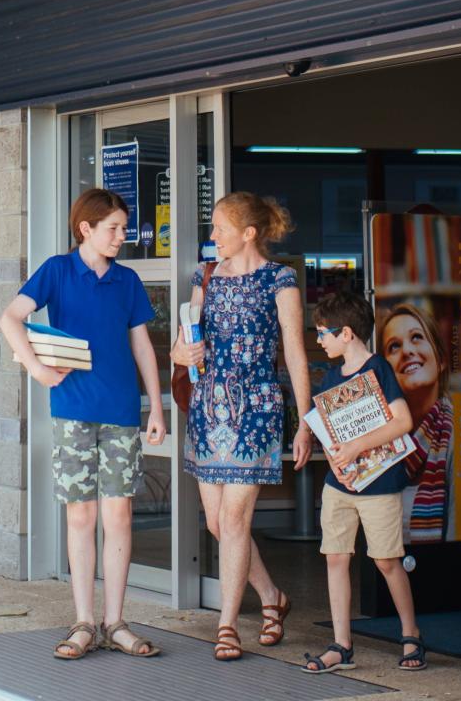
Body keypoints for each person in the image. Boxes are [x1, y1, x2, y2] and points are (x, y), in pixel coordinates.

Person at [0, 187, 168, 661]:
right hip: (72, 411)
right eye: (113, 228)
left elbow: (141, 347)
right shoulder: (56, 270)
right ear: (85, 229)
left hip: (120, 413)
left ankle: (116, 622)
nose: (121, 236)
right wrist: (37, 369)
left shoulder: (128, 281)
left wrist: (156, 407)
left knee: (119, 517)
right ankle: (84, 623)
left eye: (123, 227)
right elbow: (10, 318)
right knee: (81, 516)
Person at [168, 192, 312, 662]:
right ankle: (272, 596)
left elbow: (294, 351)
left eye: (220, 229)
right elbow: (184, 340)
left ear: (248, 234)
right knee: (215, 522)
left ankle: (227, 625)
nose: (213, 237)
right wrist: (180, 353)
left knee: (234, 520)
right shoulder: (206, 276)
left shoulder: (279, 279)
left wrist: (305, 421)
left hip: (256, 408)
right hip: (209, 409)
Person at [303, 288, 426, 674]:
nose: (320, 340)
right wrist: (336, 458)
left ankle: (412, 634)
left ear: (347, 334)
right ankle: (341, 644)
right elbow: (328, 428)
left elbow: (402, 421)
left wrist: (355, 448)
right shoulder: (328, 377)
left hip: (379, 484)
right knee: (336, 557)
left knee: (387, 561)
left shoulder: (378, 370)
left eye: (324, 332)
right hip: (341, 484)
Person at [380, 302, 454, 543]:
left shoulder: (460, 435)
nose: (407, 351)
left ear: (441, 360)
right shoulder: (379, 434)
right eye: (394, 346)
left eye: (417, 337)